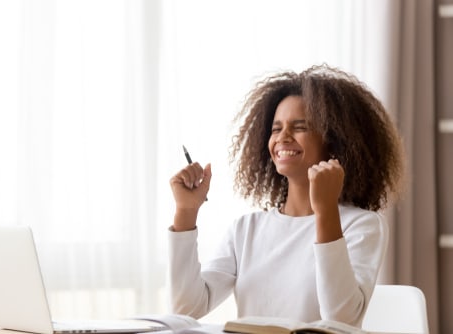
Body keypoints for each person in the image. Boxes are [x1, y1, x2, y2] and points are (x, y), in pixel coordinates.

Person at [167, 64, 405, 327]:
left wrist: (326, 211)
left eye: (299, 127)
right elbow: (186, 307)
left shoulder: (361, 225)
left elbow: (341, 320)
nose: (283, 137)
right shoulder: (246, 230)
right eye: (276, 128)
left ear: (335, 141)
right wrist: (186, 213)